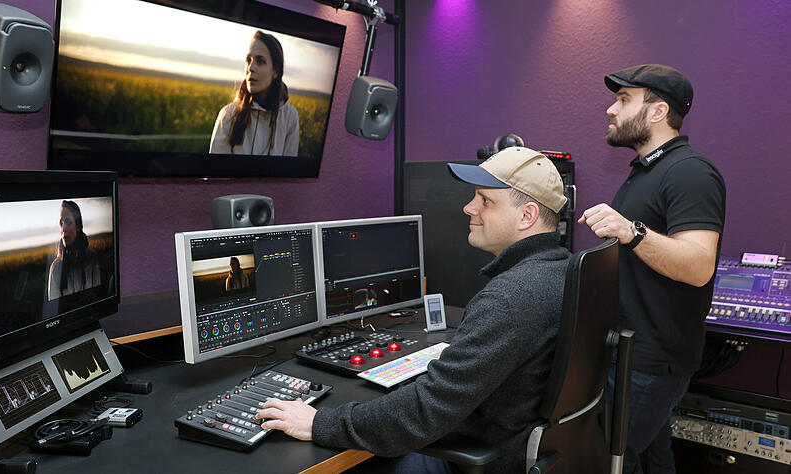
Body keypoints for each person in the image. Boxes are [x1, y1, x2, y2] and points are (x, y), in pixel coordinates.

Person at [256, 147, 571, 474]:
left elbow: (424, 412)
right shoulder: (563, 270)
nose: (468, 207)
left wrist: (321, 422)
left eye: (485, 201)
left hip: (480, 458)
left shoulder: (511, 297)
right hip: (519, 447)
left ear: (526, 216)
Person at [578, 64, 726, 473]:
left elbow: (698, 266)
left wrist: (631, 231)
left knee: (611, 459)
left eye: (624, 100)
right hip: (628, 352)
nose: (611, 109)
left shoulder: (690, 172)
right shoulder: (646, 170)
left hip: (650, 360)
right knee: (649, 458)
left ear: (658, 112)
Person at [209, 30, 299, 156]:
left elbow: (287, 172)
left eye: (260, 61)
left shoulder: (290, 117)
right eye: (248, 60)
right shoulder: (228, 115)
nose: (251, 68)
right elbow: (216, 171)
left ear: (275, 71)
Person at [48, 200, 102, 300]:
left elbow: (97, 295)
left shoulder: (91, 256)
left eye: (68, 222)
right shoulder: (56, 268)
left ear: (77, 226)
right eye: (61, 223)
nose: (63, 228)